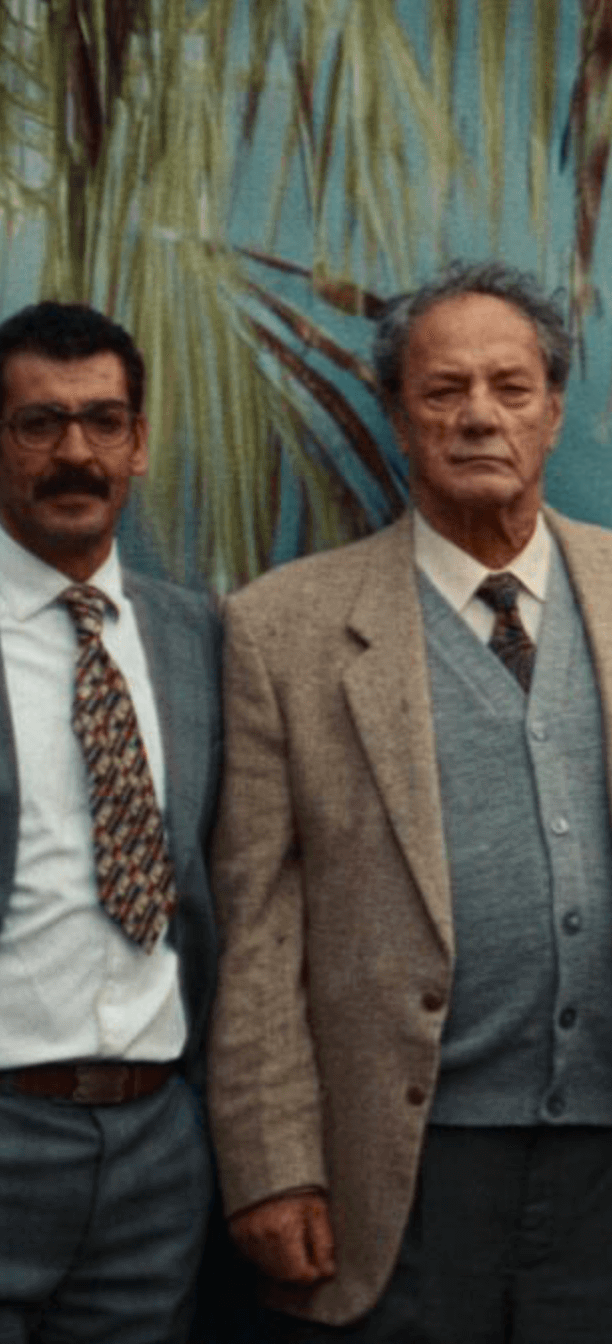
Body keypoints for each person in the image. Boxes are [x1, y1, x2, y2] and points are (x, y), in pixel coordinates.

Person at [207, 260, 612, 1338]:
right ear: (395, 413)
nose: (478, 418)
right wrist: (274, 1164)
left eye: (511, 389)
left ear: (555, 411)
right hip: (400, 1166)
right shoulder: (286, 627)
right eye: (443, 391)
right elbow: (260, 930)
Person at [0, 301, 221, 1340]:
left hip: (155, 1146)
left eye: (103, 420)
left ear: (139, 443)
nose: (74, 451)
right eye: (39, 422)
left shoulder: (195, 640)